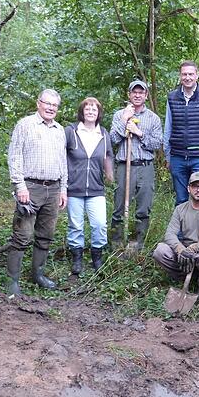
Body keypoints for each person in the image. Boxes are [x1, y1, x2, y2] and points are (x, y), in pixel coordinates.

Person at [6, 89, 68, 296]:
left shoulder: (59, 130)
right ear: (38, 103)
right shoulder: (25, 125)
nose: (50, 108)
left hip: (53, 188)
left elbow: (63, 162)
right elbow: (14, 156)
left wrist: (63, 189)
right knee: (22, 235)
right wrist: (20, 185)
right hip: (30, 188)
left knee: (46, 235)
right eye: (47, 103)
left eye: (54, 105)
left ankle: (38, 275)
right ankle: (12, 281)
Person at [153, 172, 199, 296]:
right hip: (185, 252)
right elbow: (170, 234)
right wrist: (180, 249)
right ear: (189, 188)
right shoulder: (180, 209)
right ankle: (183, 277)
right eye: (195, 186)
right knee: (160, 251)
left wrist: (197, 247)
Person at [109, 80, 163, 250]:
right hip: (125, 165)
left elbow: (157, 144)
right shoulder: (119, 115)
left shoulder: (153, 118)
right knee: (119, 204)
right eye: (134, 92)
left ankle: (138, 243)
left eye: (141, 92)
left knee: (144, 206)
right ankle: (117, 242)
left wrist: (138, 133)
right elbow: (112, 140)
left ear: (146, 95)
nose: (137, 95)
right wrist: (124, 121)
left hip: (145, 166)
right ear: (129, 95)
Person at [65, 97, 114, 274]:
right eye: (88, 109)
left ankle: (97, 258)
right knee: (76, 225)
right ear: (82, 112)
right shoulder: (71, 132)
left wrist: (109, 175)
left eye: (94, 109)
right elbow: (62, 156)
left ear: (99, 113)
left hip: (96, 187)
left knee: (100, 224)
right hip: (74, 187)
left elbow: (108, 155)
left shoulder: (103, 134)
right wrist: (63, 183)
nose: (91, 112)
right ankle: (77, 259)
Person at [164, 61, 199, 205]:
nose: (187, 77)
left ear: (197, 75)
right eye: (184, 74)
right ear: (180, 76)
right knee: (181, 199)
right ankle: (181, 228)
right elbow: (168, 128)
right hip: (177, 156)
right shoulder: (172, 97)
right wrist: (167, 155)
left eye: (191, 74)